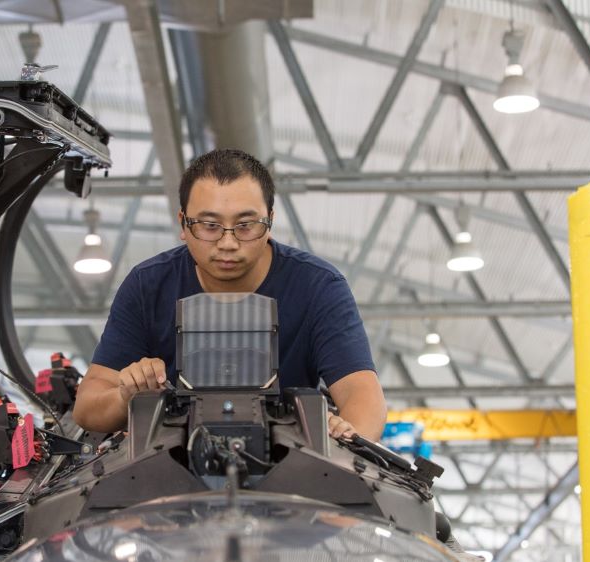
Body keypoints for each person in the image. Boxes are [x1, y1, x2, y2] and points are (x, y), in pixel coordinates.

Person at [72, 149, 387, 440]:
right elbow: (87, 407)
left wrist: (346, 436)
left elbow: (363, 396)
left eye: (246, 225)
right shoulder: (147, 286)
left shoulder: (318, 287)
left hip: (294, 471)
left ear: (270, 222)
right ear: (183, 223)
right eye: (209, 225)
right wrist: (125, 395)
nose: (227, 242)